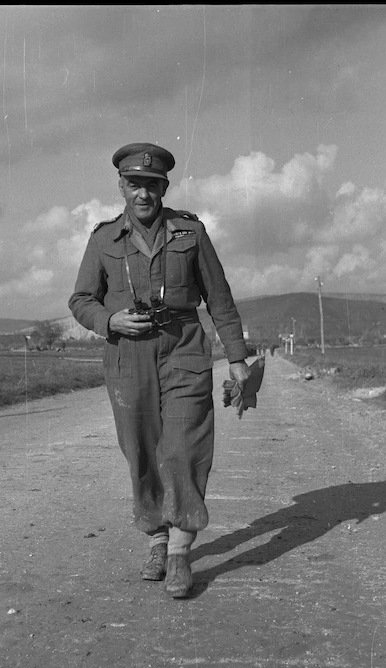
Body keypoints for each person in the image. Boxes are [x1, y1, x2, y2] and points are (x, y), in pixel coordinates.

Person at [68, 142, 250, 598]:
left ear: (164, 187)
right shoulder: (103, 239)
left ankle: (180, 552)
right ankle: (156, 537)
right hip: (128, 357)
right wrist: (109, 321)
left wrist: (238, 359)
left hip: (185, 349)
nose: (143, 194)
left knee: (185, 445)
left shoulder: (191, 233)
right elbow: (81, 300)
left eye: (152, 185)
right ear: (121, 187)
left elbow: (220, 301)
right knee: (142, 449)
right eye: (134, 185)